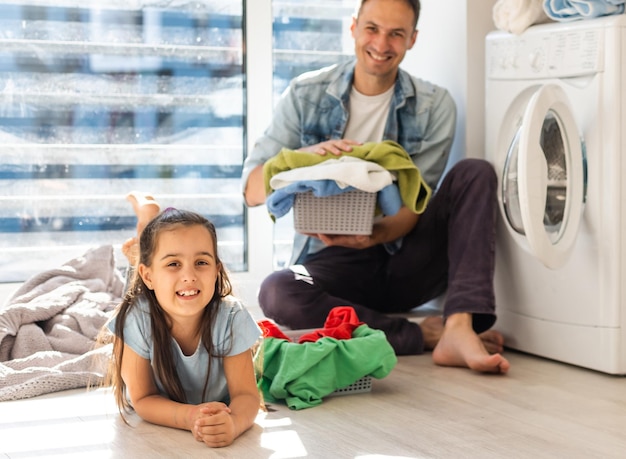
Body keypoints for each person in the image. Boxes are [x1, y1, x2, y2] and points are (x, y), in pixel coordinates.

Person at [242, 0, 510, 374]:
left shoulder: (434, 106)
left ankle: (459, 326)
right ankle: (420, 334)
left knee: (475, 171)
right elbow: (252, 191)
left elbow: (412, 210)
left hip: (406, 258)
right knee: (278, 290)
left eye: (396, 33)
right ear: (352, 27)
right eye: (372, 28)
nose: (382, 43)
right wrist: (303, 157)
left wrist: (372, 235)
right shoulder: (306, 95)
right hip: (333, 265)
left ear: (412, 39)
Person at [103, 191, 262, 448]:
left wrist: (234, 424)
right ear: (150, 275)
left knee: (159, 264)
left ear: (216, 272)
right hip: (148, 302)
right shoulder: (136, 318)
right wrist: (189, 417)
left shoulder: (232, 316)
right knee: (136, 288)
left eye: (201, 262)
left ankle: (152, 243)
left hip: (160, 285)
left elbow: (246, 396)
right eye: (175, 264)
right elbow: (143, 399)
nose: (190, 275)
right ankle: (146, 225)